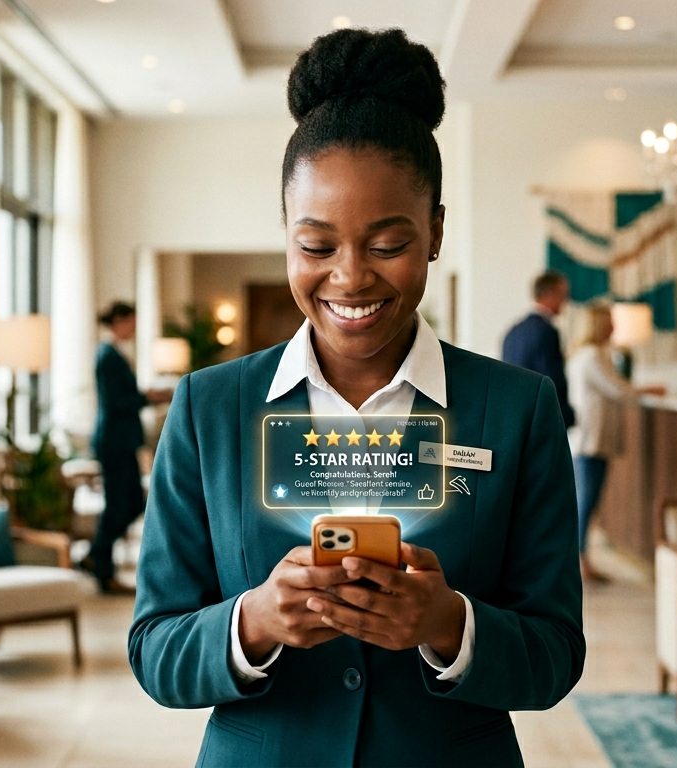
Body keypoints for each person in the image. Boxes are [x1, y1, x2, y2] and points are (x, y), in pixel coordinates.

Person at [129, 29, 584, 767]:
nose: (349, 278)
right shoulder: (211, 409)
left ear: (435, 232)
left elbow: (556, 653)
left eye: (386, 244)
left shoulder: (517, 407)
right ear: (286, 238)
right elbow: (155, 649)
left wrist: (449, 624)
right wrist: (253, 623)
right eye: (316, 247)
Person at [567, 303, 664, 583]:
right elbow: (616, 389)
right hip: (591, 440)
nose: (614, 327)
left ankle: (580, 556)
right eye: (609, 322)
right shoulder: (591, 355)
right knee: (586, 501)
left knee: (586, 500)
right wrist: (648, 389)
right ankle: (580, 559)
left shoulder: (587, 354)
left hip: (590, 439)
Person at [89, 302, 170, 593]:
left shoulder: (113, 353)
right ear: (120, 321)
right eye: (132, 321)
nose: (134, 327)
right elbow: (115, 403)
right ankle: (99, 561)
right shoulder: (108, 356)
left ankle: (96, 555)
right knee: (120, 505)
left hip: (120, 440)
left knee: (131, 502)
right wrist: (148, 397)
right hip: (114, 441)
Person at [501, 272, 576, 429]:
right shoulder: (546, 331)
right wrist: (565, 416)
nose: (566, 300)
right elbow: (551, 379)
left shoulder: (513, 331)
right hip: (542, 418)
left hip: (515, 417)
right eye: (563, 294)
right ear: (550, 294)